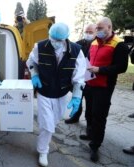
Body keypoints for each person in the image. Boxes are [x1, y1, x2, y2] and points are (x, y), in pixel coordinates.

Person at [26, 22, 86, 166]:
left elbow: (79, 77)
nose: (55, 43)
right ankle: (43, 151)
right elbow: (31, 62)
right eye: (53, 39)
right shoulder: (39, 46)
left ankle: (43, 143)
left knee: (54, 120)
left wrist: (77, 97)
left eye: (58, 40)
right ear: (49, 36)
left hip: (61, 93)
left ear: (66, 38)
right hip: (44, 91)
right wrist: (34, 75)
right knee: (46, 124)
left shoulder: (77, 51)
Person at [79, 17, 129, 162]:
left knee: (99, 116)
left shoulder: (119, 45)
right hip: (90, 84)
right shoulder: (94, 42)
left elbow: (121, 67)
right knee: (89, 112)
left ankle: (95, 146)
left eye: (100, 29)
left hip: (104, 87)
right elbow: (88, 59)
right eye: (97, 29)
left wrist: (99, 70)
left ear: (109, 27)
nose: (97, 31)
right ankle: (90, 133)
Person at [65, 24, 96, 124]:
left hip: (91, 77)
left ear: (95, 32)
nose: (88, 34)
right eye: (86, 32)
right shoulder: (78, 44)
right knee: (77, 97)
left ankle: (89, 125)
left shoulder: (97, 44)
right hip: (79, 75)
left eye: (91, 32)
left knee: (90, 102)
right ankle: (75, 116)